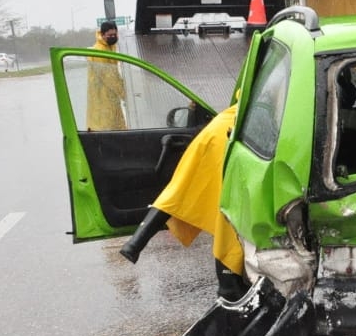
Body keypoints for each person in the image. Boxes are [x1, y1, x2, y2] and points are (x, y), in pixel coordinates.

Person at [119, 105, 247, 300]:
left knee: (179, 190)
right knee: (229, 213)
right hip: (234, 137)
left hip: (215, 132)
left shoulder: (249, 88)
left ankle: (136, 242)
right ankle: (229, 283)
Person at [86, 21, 127, 131]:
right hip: (102, 92)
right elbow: (108, 76)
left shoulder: (111, 46)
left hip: (110, 92)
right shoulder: (99, 51)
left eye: (115, 34)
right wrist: (124, 93)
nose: (113, 37)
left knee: (115, 121)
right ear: (103, 35)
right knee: (105, 123)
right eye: (110, 35)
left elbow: (115, 72)